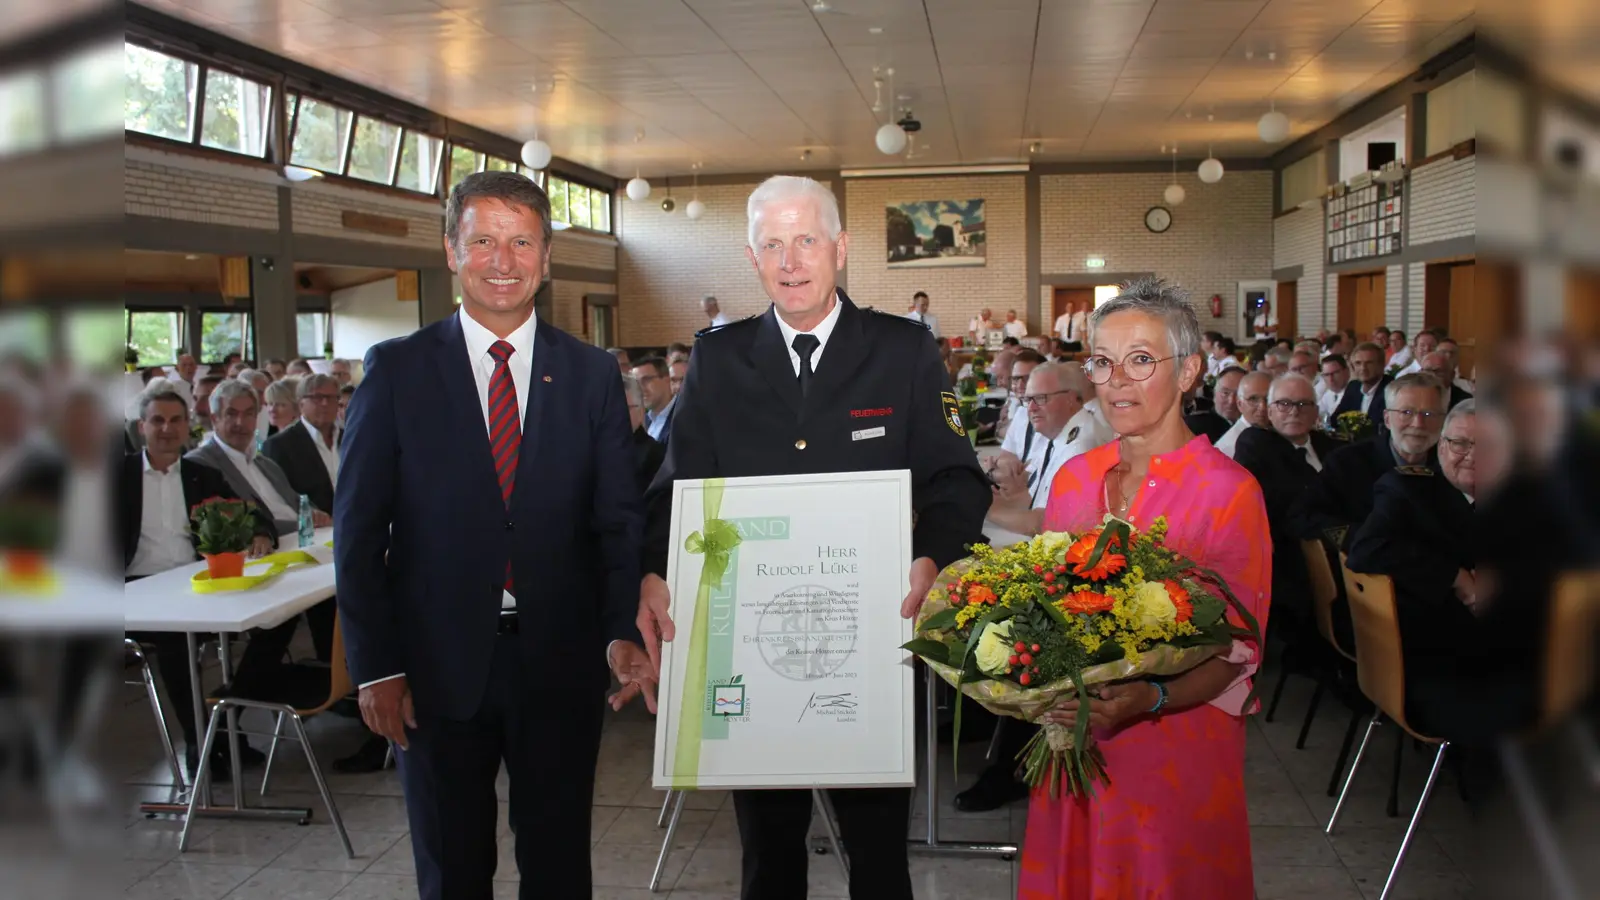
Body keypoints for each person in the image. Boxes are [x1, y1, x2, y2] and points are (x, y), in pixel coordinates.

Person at [635, 174, 990, 900]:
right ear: (752, 257)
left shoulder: (904, 352)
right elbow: (676, 488)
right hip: (752, 647)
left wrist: (934, 557)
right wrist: (651, 570)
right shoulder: (720, 358)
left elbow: (958, 479)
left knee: (879, 857)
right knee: (768, 858)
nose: (790, 261)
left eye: (806, 240)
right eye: (773, 245)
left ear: (841, 248)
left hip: (871, 641)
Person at [336, 171, 655, 899]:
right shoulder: (396, 371)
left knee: (559, 865)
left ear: (546, 258)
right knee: (452, 869)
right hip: (434, 669)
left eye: (520, 243)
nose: (502, 261)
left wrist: (619, 630)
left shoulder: (589, 376)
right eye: (482, 240)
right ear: (451, 252)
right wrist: (375, 667)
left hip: (561, 664)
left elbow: (617, 520)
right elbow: (356, 533)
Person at [1020, 277, 1269, 899]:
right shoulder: (1075, 480)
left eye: (1140, 361)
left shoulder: (1229, 493)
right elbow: (1047, 609)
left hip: (1175, 752)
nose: (1117, 382)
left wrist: (1151, 697)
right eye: (1102, 363)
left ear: (1188, 372)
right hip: (1074, 745)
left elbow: (1237, 654)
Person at [263, 373, 341, 515]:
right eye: (317, 398)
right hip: (314, 529)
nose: (325, 403)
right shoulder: (279, 445)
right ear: (300, 404)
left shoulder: (349, 438)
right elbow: (278, 499)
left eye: (331, 398)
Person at [1213, 370, 1271, 458]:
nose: (1262, 407)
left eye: (1268, 399)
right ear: (1240, 404)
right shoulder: (1227, 449)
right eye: (1253, 399)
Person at [1332, 341, 1391, 422]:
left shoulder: (1392, 389)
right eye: (1358, 363)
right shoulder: (1353, 387)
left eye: (1369, 363)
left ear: (1381, 365)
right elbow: (1336, 419)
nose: (1363, 368)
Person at [631, 356, 675, 445]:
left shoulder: (684, 418)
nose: (640, 388)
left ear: (666, 379)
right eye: (636, 382)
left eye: (646, 380)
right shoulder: (644, 420)